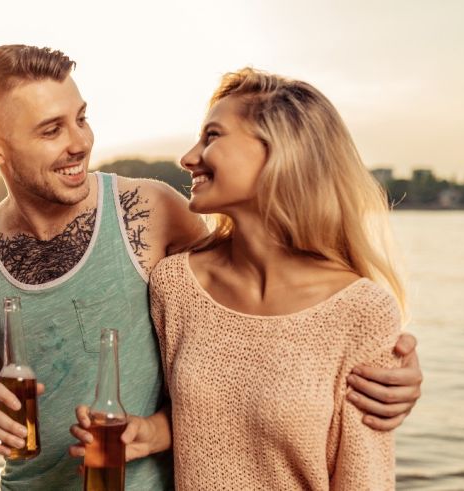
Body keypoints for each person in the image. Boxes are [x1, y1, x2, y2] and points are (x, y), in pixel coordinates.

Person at [0, 45, 422, 490]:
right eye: (51, 130)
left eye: (81, 118)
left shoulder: (153, 210)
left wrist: (388, 368)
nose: (80, 143)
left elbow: (258, 331)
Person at [72, 67, 408, 489]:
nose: (188, 157)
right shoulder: (176, 284)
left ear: (280, 150)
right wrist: (154, 431)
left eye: (212, 136)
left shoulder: (361, 310)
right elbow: (212, 419)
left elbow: (365, 478)